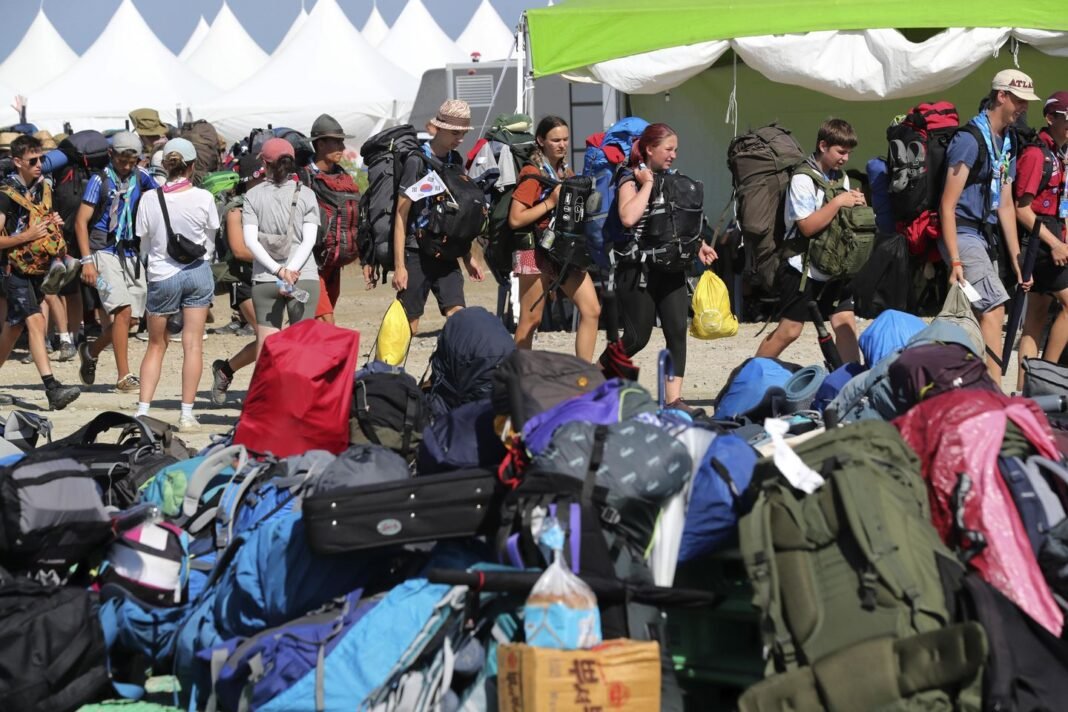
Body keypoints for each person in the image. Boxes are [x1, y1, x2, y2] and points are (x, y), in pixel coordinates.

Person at [610, 123, 717, 410]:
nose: (673, 155)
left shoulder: (672, 179)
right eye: (668, 149)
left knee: (676, 332)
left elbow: (674, 224)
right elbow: (628, 218)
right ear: (649, 149)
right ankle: (595, 379)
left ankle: (674, 400)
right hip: (637, 270)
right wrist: (646, 183)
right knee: (636, 338)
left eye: (675, 149)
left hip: (670, 269)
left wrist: (698, 245)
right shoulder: (628, 177)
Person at [940, 69, 1038, 381]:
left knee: (977, 311)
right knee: (994, 306)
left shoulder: (1007, 141)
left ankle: (967, 380)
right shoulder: (969, 140)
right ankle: (993, 391)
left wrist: (1016, 258)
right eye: (1019, 100)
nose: (1023, 108)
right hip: (962, 232)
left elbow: (1006, 204)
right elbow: (947, 205)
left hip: (985, 236)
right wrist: (955, 258)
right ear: (1001, 95)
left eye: (1026, 102)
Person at [755, 118, 864, 365]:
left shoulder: (840, 178)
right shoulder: (802, 179)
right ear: (823, 145)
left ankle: (852, 383)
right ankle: (747, 378)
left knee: (844, 322)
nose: (845, 158)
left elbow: (841, 220)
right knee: (790, 331)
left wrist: (856, 206)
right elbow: (806, 227)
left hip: (834, 265)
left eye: (849, 153)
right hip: (802, 268)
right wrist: (838, 202)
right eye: (841, 152)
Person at [134, 138, 219, 430]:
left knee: (156, 345)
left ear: (164, 166)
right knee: (193, 344)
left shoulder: (148, 199)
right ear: (193, 166)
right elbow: (210, 241)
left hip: (162, 274)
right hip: (197, 271)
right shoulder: (204, 198)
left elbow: (143, 243)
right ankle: (186, 413)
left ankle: (143, 410)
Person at [508, 115, 601, 360]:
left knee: (591, 310)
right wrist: (550, 202)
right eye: (555, 140)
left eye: (566, 139)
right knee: (531, 319)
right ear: (541, 141)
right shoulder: (532, 173)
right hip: (533, 251)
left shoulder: (565, 172)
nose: (562, 144)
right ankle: (519, 378)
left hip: (563, 248)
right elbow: (515, 219)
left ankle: (583, 379)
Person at [0, 134, 80, 410]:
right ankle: (52, 389)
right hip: (12, 270)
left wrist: (51, 221)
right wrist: (27, 235)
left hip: (37, 267)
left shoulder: (40, 188)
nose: (39, 165)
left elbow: (40, 222)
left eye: (41, 159)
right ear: (17, 162)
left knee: (13, 328)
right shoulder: (5, 195)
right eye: (32, 160)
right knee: (34, 321)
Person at [391, 100, 484, 333]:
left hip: (446, 250)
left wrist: (467, 256)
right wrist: (400, 266)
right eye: (455, 133)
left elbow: (457, 214)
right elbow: (401, 215)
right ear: (438, 128)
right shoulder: (417, 161)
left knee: (458, 316)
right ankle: (389, 369)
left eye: (463, 133)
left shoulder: (455, 161)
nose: (459, 139)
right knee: (408, 326)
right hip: (416, 252)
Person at [76, 131, 158, 393]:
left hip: (130, 253)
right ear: (111, 155)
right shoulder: (98, 181)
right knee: (121, 311)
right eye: (122, 160)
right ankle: (124, 375)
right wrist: (87, 261)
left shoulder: (141, 177)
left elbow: (162, 199)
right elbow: (80, 222)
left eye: (131, 161)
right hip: (101, 253)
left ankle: (91, 350)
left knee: (131, 319)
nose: (126, 166)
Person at [241, 138, 321, 354]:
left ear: (264, 165)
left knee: (266, 346)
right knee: (303, 346)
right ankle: (301, 389)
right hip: (303, 276)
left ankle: (266, 389)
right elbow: (309, 239)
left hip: (266, 278)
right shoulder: (306, 194)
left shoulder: (252, 196)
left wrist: (279, 271)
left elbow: (250, 241)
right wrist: (291, 271)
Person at [1015, 90, 1068, 386]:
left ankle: (1025, 389)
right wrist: (1056, 243)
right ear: (1050, 118)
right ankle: (1047, 377)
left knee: (1035, 317)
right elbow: (1022, 210)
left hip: (1054, 231)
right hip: (1039, 238)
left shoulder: (1062, 153)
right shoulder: (1036, 154)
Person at [210, 155, 263, 405]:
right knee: (268, 338)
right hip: (243, 280)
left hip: (270, 278)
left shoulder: (270, 204)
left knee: (269, 339)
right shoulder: (236, 209)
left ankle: (226, 370)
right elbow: (240, 251)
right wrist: (276, 259)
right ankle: (262, 395)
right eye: (262, 176)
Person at [300, 113, 357, 325]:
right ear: (320, 144)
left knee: (316, 321)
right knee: (326, 320)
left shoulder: (344, 177)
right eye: (336, 142)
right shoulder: (303, 178)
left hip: (333, 262)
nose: (342, 147)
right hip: (309, 263)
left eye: (342, 142)